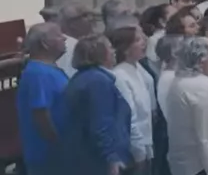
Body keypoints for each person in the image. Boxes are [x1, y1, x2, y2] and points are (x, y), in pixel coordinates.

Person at [52, 34, 132, 175]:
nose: (114, 51)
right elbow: (101, 123)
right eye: (109, 47)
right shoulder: (97, 82)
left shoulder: (84, 78)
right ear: (99, 53)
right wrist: (111, 157)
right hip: (96, 161)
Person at [16, 23, 68, 175]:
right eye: (58, 35)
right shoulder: (38, 74)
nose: (64, 38)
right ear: (45, 44)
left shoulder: (49, 70)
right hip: (48, 157)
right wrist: (59, 144)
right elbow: (40, 114)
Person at [108, 24, 156, 173]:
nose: (143, 43)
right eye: (137, 40)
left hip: (146, 142)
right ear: (125, 48)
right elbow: (130, 117)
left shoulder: (138, 69)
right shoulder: (120, 75)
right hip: (132, 148)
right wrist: (139, 151)